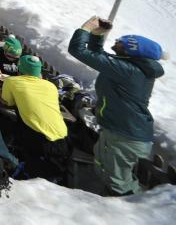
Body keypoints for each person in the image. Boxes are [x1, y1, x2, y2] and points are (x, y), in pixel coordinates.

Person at [68, 17, 165, 196]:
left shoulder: (127, 70)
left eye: (121, 43)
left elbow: (77, 50)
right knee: (108, 172)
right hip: (122, 132)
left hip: (125, 136)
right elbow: (99, 56)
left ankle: (129, 211)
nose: (117, 42)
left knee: (118, 184)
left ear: (133, 50)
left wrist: (85, 29)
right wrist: (99, 35)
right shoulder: (129, 67)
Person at [1, 55, 71, 181]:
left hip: (38, 139)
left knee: (4, 121)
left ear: (19, 69)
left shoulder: (12, 81)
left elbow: (7, 102)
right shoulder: (51, 86)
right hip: (63, 137)